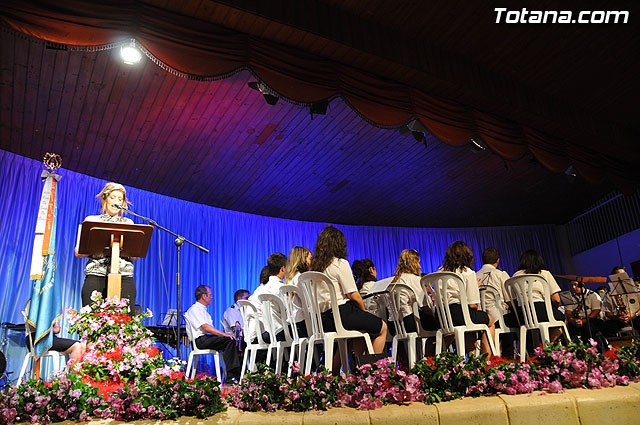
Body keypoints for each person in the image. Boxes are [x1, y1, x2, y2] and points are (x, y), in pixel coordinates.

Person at [310, 225, 387, 369]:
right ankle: (371, 371)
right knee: (382, 327)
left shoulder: (314, 268)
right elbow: (354, 295)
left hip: (322, 320)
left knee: (358, 332)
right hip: (341, 315)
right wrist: (364, 310)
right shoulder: (339, 263)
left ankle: (341, 372)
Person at [75, 182, 137, 307]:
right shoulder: (91, 220)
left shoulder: (128, 223)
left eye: (120, 199)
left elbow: (135, 256)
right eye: (112, 197)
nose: (116, 202)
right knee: (92, 317)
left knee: (124, 318)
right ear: (105, 198)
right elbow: (78, 252)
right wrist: (98, 247)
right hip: (96, 275)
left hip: (124, 277)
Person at [438, 241, 495, 355]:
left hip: (442, 316)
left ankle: (471, 359)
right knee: (490, 321)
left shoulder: (440, 272)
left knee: (471, 320)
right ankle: (485, 360)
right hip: (460, 314)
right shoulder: (468, 272)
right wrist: (474, 287)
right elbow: (472, 304)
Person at [185, 285, 241, 385]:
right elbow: (205, 327)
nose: (212, 297)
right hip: (200, 341)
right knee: (229, 340)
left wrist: (224, 335)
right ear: (204, 296)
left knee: (231, 340)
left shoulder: (203, 310)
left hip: (205, 338)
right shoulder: (195, 309)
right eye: (210, 295)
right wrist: (224, 334)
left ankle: (233, 375)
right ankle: (232, 376)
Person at [512, 249, 565, 342]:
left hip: (523, 315)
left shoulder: (515, 276)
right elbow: (557, 299)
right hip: (542, 310)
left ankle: (539, 346)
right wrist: (553, 308)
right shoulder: (545, 274)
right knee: (561, 319)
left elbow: (513, 299)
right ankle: (545, 345)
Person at [476, 248, 516, 358]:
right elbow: (510, 299)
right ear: (498, 260)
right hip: (500, 318)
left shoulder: (475, 275)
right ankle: (510, 358)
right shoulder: (501, 274)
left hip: (482, 318)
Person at [391, 249, 438, 333]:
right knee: (443, 322)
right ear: (413, 263)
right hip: (412, 324)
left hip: (395, 325)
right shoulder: (415, 280)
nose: (420, 267)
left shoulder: (393, 281)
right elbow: (425, 308)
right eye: (418, 263)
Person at [247, 253, 288, 343]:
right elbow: (288, 312)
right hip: (275, 333)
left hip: (263, 333)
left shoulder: (262, 290)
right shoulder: (281, 288)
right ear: (283, 268)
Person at [565, 280, 604, 347]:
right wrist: (572, 320)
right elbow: (568, 312)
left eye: (576, 285)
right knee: (566, 329)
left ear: (582, 285)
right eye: (572, 285)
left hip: (590, 320)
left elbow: (596, 311)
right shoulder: (571, 297)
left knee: (587, 328)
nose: (573, 287)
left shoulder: (593, 295)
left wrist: (583, 321)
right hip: (575, 321)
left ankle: (589, 348)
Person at [284, 246, 312, 337]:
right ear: (302, 260)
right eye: (310, 259)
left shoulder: (289, 279)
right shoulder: (300, 278)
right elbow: (309, 303)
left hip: (293, 324)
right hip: (303, 325)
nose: (312, 262)